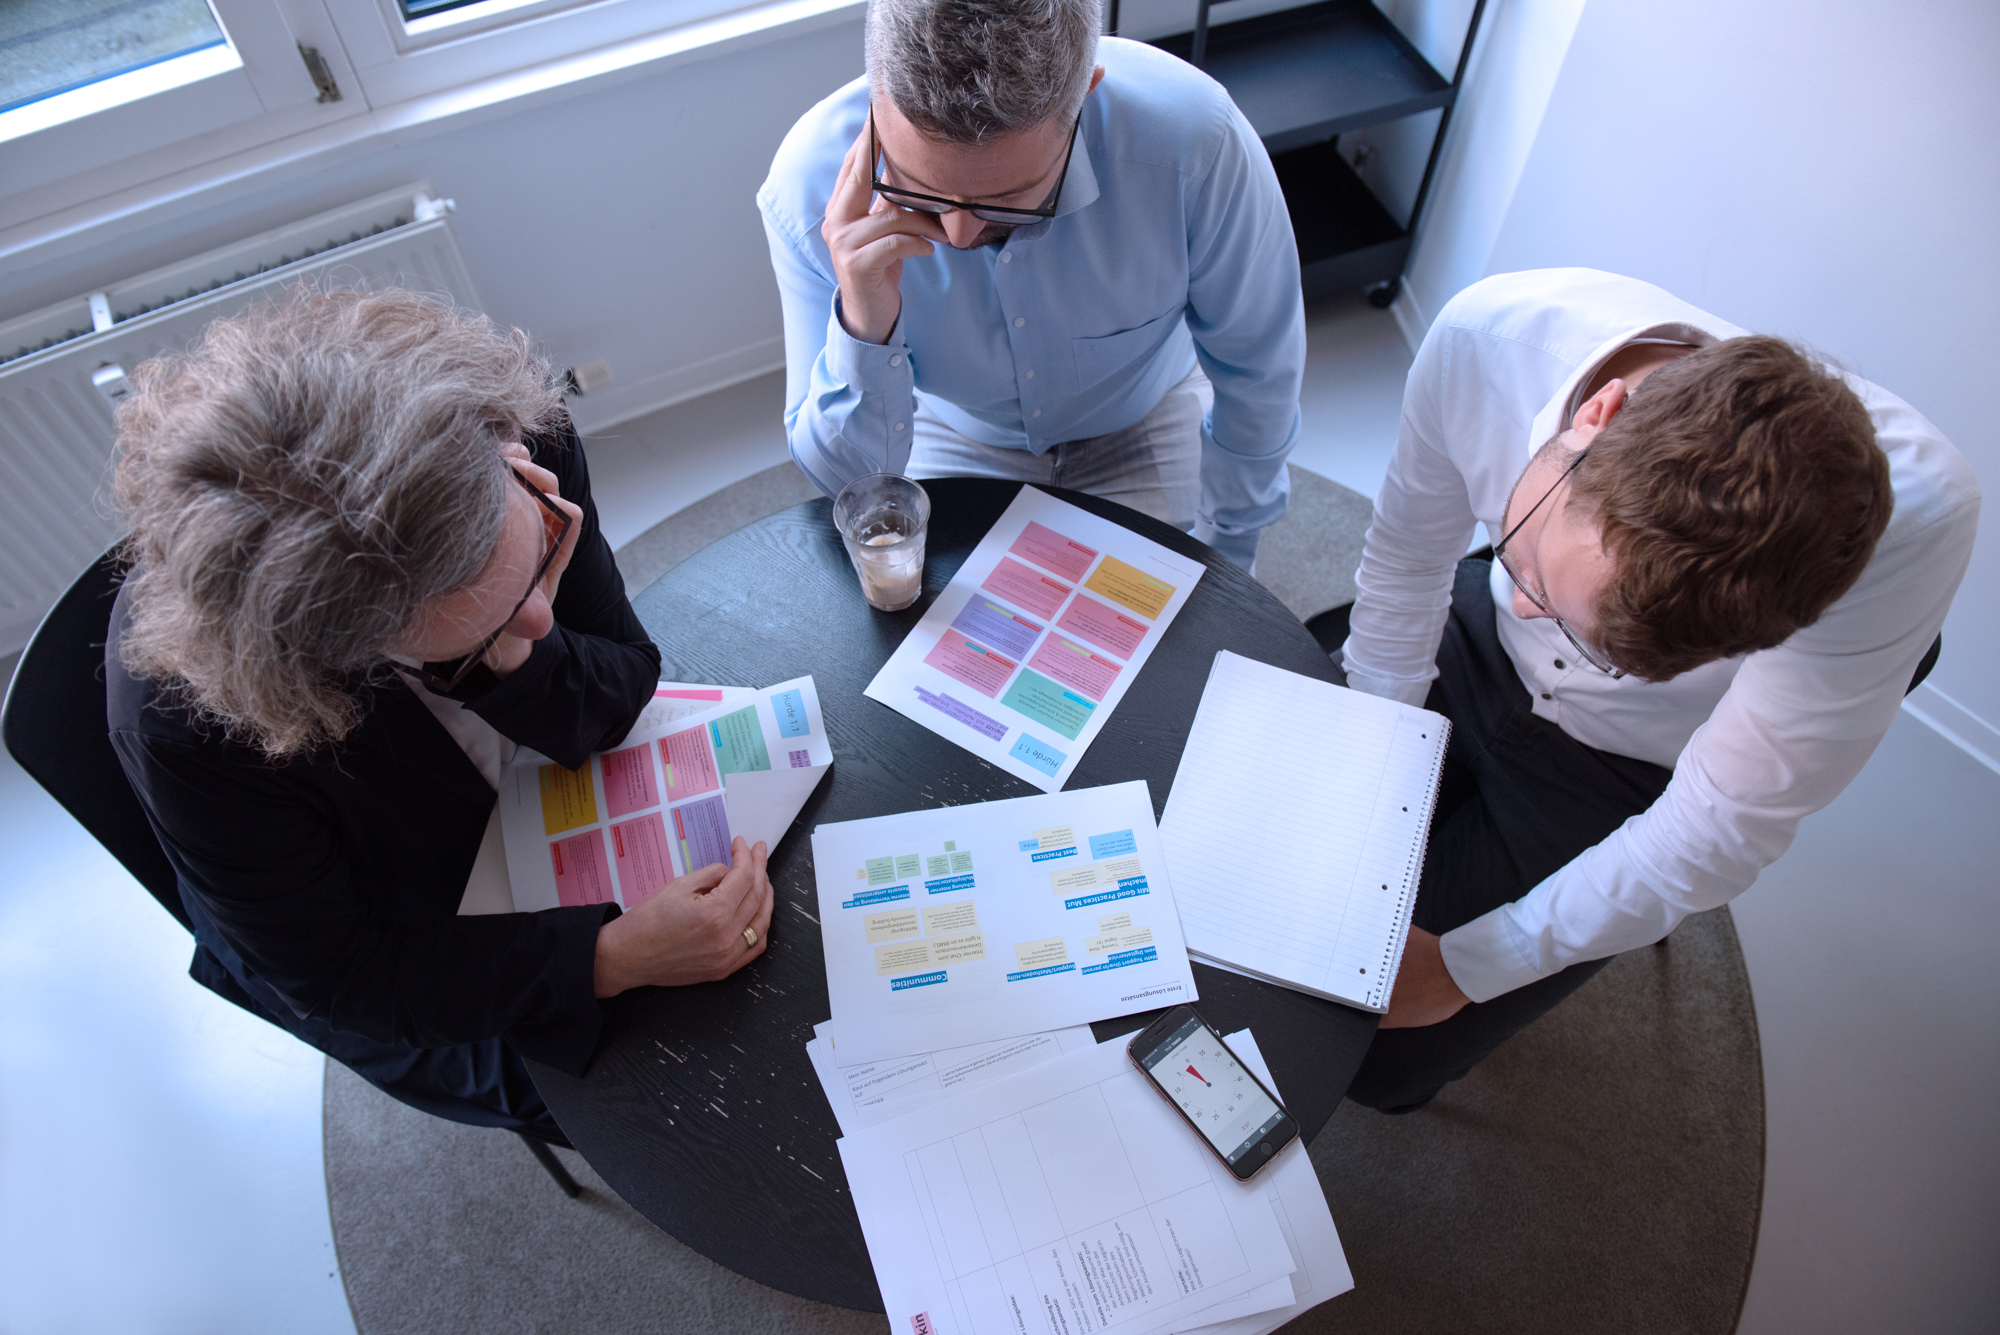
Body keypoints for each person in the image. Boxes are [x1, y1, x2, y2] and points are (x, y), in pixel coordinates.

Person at [106, 288, 775, 1144]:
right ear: (341, 652)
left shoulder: (517, 440)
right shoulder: (193, 723)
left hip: (538, 810)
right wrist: (609, 959)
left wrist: (507, 654)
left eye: (541, 554)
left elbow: (620, 686)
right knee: (670, 1116)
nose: (545, 622)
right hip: (412, 929)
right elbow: (342, 973)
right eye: (481, 632)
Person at [1336, 267, 1980, 1112]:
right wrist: (1364, 753)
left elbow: (1718, 823)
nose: (1529, 603)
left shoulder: (1914, 524)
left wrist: (1470, 965)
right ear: (1596, 416)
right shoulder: (1489, 339)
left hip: (1629, 768)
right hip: (1466, 635)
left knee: (1374, 1060)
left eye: (1595, 639)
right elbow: (1409, 564)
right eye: (1526, 554)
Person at [758, 0, 1305, 570]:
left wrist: (1231, 546)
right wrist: (865, 326)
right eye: (922, 189)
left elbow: (1259, 369)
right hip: (951, 429)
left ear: (1084, 95)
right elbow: (845, 488)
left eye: (1008, 199)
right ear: (877, 97)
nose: (960, 232)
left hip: (1148, 413)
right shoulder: (804, 191)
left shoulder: (1197, 144)